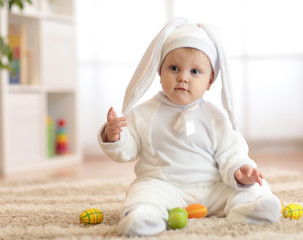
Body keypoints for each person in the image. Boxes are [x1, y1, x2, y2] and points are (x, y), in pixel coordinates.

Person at [97, 17, 281, 237]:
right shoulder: (144, 113)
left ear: (210, 80)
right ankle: (143, 217)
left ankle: (251, 209)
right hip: (163, 185)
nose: (183, 77)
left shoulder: (215, 116)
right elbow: (128, 150)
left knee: (254, 186)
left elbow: (231, 151)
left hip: (212, 186)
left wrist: (240, 169)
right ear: (159, 71)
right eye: (174, 68)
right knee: (143, 193)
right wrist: (115, 137)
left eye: (195, 72)